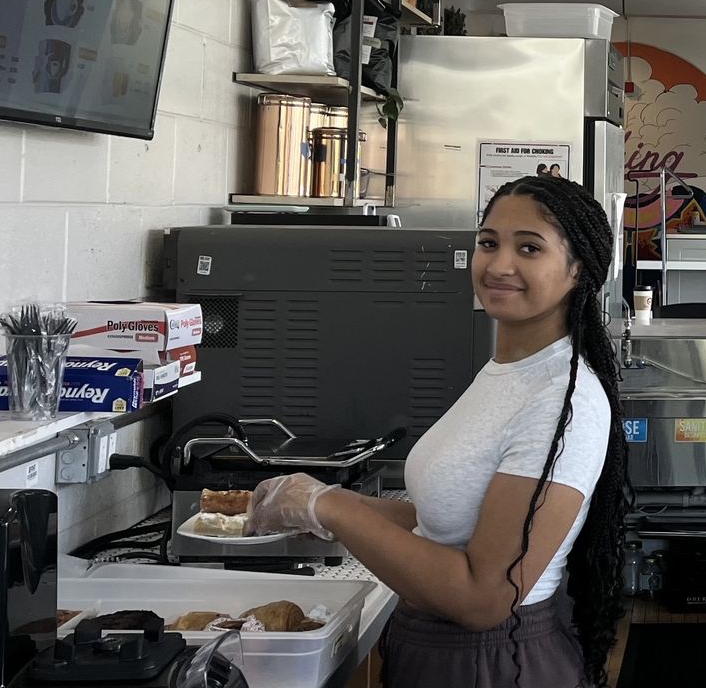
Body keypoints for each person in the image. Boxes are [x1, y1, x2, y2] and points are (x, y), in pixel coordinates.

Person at [247, 175, 626, 687]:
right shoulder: (508, 371)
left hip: (493, 664)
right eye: (488, 242)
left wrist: (328, 507)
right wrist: (324, 504)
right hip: (438, 650)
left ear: (578, 270)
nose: (498, 265)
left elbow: (485, 598)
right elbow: (447, 523)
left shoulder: (563, 399)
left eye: (529, 248)